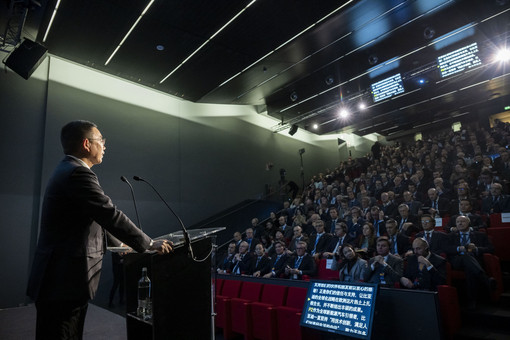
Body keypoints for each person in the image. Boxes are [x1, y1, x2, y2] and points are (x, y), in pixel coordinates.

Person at [26, 120, 172, 340]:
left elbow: (94, 219)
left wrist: (119, 244)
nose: (105, 146)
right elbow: (108, 214)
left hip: (58, 280)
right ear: (86, 144)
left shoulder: (68, 169)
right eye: (101, 140)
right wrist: (148, 244)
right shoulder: (78, 174)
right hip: (63, 281)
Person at [445, 215, 496, 309]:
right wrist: (458, 248)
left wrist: (476, 249)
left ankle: (471, 301)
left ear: (469, 223)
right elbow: (446, 249)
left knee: (469, 269)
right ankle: (485, 279)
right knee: (466, 256)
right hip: (457, 262)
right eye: (458, 222)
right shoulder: (450, 236)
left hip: (474, 262)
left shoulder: (480, 235)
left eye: (462, 221)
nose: (460, 223)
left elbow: (491, 249)